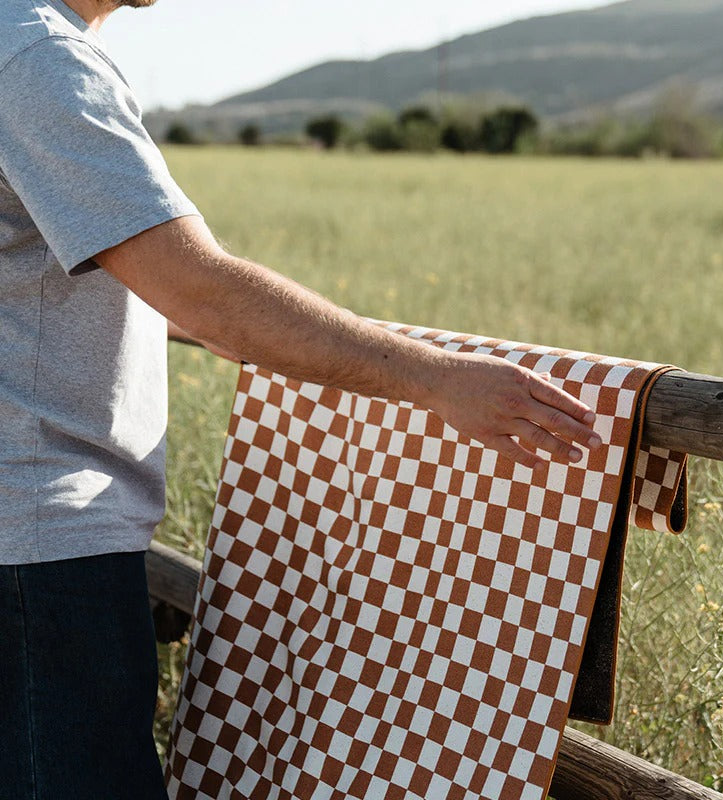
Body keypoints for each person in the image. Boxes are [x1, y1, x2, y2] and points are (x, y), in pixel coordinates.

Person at [0, 1, 601, 797]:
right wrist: (439, 377)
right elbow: (198, 284)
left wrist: (217, 315)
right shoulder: (40, 57)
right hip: (43, 542)